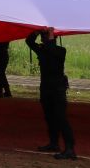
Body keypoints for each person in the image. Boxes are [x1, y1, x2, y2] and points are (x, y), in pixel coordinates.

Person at [26, 28, 75, 160]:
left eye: (45, 36)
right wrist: (36, 31)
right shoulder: (42, 50)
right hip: (46, 88)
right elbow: (29, 42)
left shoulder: (60, 51)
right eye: (42, 36)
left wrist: (51, 35)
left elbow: (52, 49)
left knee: (61, 118)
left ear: (52, 38)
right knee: (49, 117)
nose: (43, 38)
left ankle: (70, 149)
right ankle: (54, 143)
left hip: (58, 89)